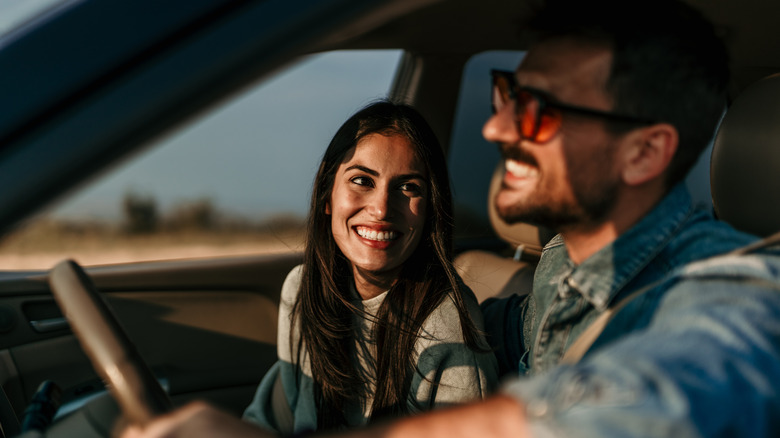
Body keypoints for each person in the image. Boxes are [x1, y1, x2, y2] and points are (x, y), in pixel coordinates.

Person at [121, 0, 780, 436]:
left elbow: (656, 396)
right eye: (507, 96)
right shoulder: (563, 268)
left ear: (644, 152)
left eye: (536, 111)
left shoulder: (737, 290)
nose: (495, 128)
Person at [241, 100, 497, 433]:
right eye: (362, 180)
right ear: (326, 194)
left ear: (431, 209)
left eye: (408, 187)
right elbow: (272, 420)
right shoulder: (303, 288)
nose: (380, 209)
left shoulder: (446, 327)